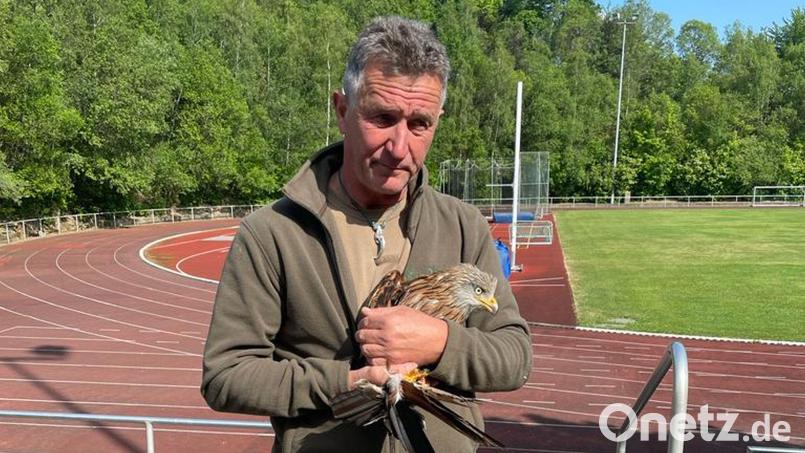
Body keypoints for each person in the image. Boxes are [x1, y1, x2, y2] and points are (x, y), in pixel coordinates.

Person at [201, 16, 532, 453]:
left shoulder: (464, 226)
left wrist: (442, 343)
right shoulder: (272, 235)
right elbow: (226, 376)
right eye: (382, 117)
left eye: (419, 124)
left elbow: (514, 357)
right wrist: (345, 381)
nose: (399, 147)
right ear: (342, 110)